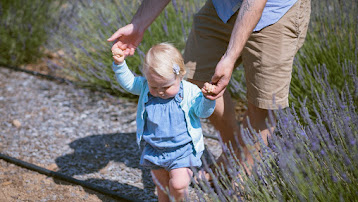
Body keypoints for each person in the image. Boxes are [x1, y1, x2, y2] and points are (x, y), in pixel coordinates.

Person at [108, 0, 311, 175]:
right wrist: (138, 25)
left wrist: (230, 57)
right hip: (223, 7)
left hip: (274, 12)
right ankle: (233, 151)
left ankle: (242, 182)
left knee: (263, 103)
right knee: (196, 80)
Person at [111, 42, 216, 201]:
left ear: (180, 75)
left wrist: (208, 100)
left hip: (182, 149)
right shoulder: (146, 87)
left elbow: (203, 112)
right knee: (162, 185)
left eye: (166, 87)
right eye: (154, 86)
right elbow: (129, 83)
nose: (160, 92)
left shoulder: (189, 92)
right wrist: (120, 64)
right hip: (155, 148)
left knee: (179, 185)